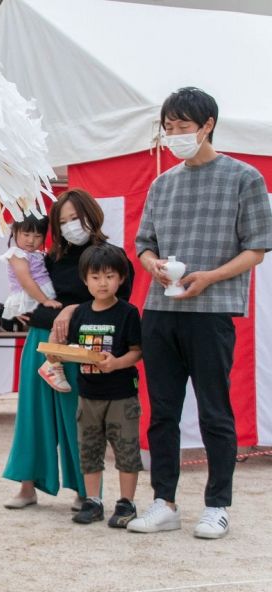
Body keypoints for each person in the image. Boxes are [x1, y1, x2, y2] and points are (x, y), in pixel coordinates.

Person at [130, 87, 272, 539]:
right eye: (168, 129)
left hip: (212, 311)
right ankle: (164, 501)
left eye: (183, 128)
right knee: (163, 411)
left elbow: (257, 249)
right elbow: (143, 243)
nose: (174, 137)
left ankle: (217, 504)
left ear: (207, 124)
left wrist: (209, 276)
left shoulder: (243, 177)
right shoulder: (161, 182)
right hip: (160, 308)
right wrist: (150, 262)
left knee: (215, 411)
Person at [2, 189, 134, 510]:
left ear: (92, 215)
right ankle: (28, 484)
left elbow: (116, 305)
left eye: (76, 217)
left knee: (77, 415)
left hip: (83, 344)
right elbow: (38, 300)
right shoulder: (52, 257)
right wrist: (40, 310)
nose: (71, 225)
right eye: (63, 221)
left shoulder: (111, 256)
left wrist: (71, 310)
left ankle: (83, 489)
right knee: (33, 413)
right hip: (40, 339)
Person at [54, 244, 143, 527]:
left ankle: (126, 503)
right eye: (95, 277)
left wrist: (116, 363)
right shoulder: (79, 313)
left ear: (121, 278)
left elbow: (138, 351)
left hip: (121, 395)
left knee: (126, 449)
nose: (102, 283)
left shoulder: (127, 313)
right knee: (89, 449)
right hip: (88, 395)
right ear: (85, 280)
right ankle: (93, 501)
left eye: (109, 276)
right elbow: (74, 348)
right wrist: (60, 354)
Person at [0, 216, 66, 385]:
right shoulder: (16, 254)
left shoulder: (38, 254)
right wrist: (45, 301)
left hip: (39, 295)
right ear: (15, 232)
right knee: (54, 325)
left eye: (37, 236)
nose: (31, 240)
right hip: (30, 297)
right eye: (26, 234)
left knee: (57, 327)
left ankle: (53, 362)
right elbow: (26, 280)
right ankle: (51, 364)